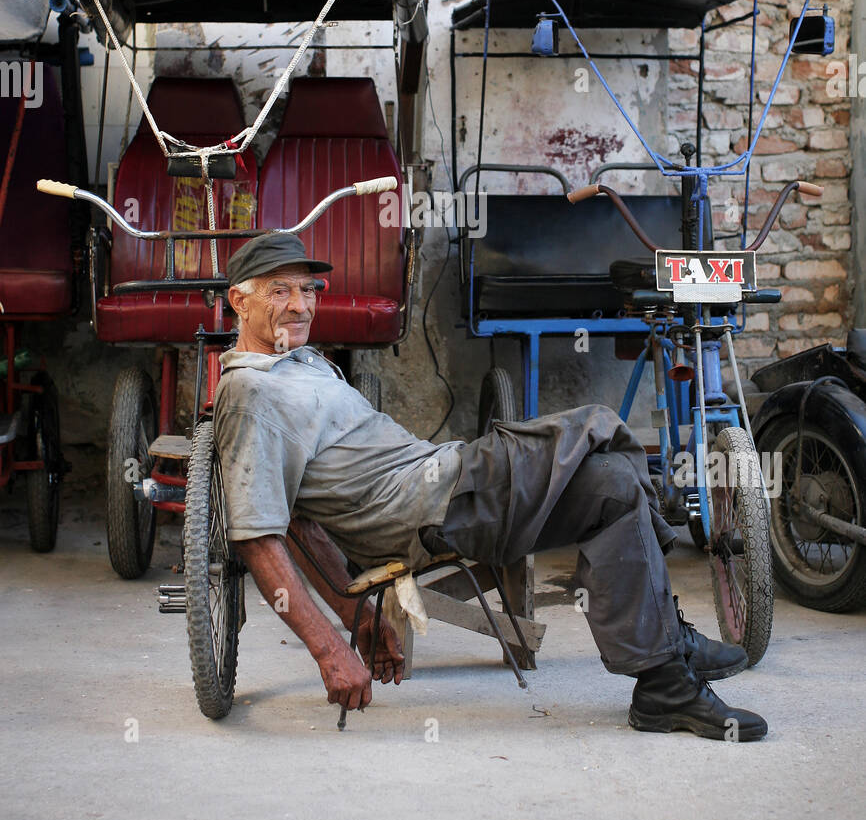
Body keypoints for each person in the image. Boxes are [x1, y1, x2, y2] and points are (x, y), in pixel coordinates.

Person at [213, 232, 767, 741]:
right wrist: (330, 648)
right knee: (598, 425)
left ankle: (663, 683)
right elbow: (259, 533)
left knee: (614, 486)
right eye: (279, 291)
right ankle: (672, 646)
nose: (301, 305)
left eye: (308, 289)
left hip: (447, 483)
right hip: (432, 505)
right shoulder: (251, 395)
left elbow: (301, 519)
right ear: (239, 301)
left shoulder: (302, 362)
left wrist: (356, 617)